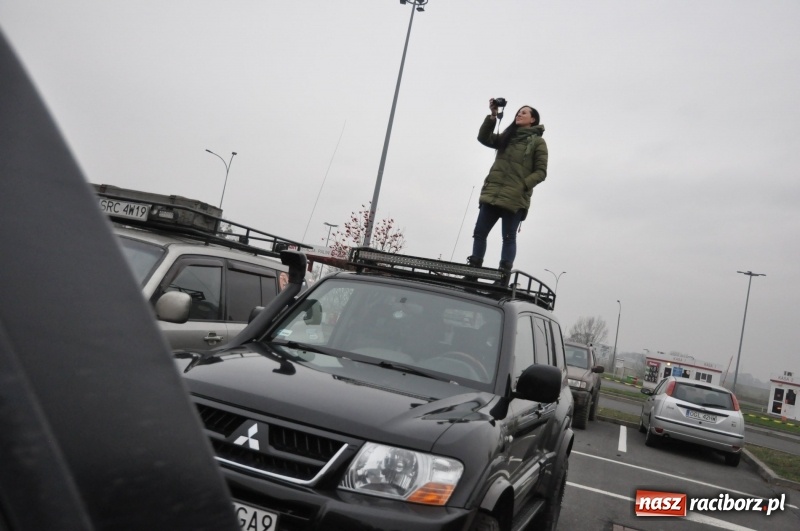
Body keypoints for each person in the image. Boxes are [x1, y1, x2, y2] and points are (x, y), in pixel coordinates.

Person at [468, 98, 548, 280]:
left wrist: (522, 186)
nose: (519, 114)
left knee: (508, 237)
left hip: (515, 197)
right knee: (479, 232)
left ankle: (503, 278)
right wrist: (493, 115)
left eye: (524, 112)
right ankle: (473, 272)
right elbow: (484, 138)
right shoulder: (507, 136)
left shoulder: (538, 143)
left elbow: (541, 172)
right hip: (493, 192)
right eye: (518, 112)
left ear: (533, 119)